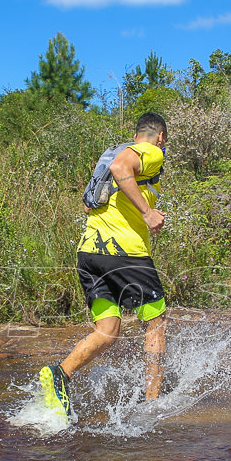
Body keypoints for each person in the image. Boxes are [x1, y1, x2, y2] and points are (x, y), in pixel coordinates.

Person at [39, 112, 169, 422]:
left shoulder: (110, 152)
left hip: (90, 255)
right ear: (160, 137)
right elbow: (120, 167)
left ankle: (59, 375)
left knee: (108, 330)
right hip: (125, 254)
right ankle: (153, 403)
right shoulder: (148, 152)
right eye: (165, 142)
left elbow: (87, 203)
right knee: (156, 321)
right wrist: (147, 212)